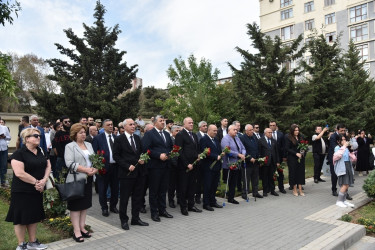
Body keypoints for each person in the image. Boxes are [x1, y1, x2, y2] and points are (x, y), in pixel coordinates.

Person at [6, 128, 51, 250]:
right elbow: (19, 173)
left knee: (33, 215)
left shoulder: (41, 151)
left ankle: (33, 242)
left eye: (39, 136)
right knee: (21, 218)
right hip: (22, 190)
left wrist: (44, 180)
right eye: (35, 135)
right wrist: (36, 182)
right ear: (26, 139)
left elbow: (48, 165)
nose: (38, 137)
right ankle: (21, 245)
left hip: (37, 190)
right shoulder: (18, 154)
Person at [64, 123, 98, 242]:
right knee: (76, 206)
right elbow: (69, 163)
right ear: (75, 134)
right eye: (81, 133)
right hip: (76, 180)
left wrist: (95, 169)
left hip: (88, 179)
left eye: (84, 132)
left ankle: (82, 227)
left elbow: (94, 160)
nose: (84, 134)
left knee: (85, 205)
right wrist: (86, 170)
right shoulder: (70, 146)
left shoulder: (88, 144)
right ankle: (76, 231)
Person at [113, 118, 149, 230]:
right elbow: (116, 156)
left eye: (134, 124)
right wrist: (127, 166)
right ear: (124, 127)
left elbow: (142, 152)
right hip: (126, 174)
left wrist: (143, 159)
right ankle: (124, 220)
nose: (133, 126)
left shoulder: (138, 138)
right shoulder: (119, 139)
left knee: (137, 197)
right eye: (131, 124)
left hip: (139, 173)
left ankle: (136, 218)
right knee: (124, 198)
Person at [142, 115, 173, 222]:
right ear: (155, 123)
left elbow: (170, 147)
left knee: (163, 190)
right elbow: (146, 149)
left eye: (164, 120)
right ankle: (154, 212)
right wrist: (158, 155)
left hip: (166, 166)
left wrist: (168, 154)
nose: (163, 122)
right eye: (161, 121)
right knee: (154, 190)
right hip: (155, 166)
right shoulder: (149, 134)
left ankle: (162, 210)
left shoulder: (166, 134)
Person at [92, 119, 119, 217]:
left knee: (115, 188)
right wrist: (98, 166)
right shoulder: (98, 138)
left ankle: (113, 206)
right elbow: (95, 153)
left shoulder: (116, 138)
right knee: (103, 189)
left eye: (112, 124)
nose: (111, 126)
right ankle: (104, 208)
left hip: (115, 167)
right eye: (108, 125)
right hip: (103, 168)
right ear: (103, 127)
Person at [175, 117, 202, 215]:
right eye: (189, 123)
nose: (191, 124)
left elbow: (196, 148)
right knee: (183, 187)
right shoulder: (180, 135)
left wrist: (198, 155)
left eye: (192, 122)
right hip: (184, 166)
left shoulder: (194, 135)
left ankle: (191, 205)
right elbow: (179, 151)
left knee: (192, 186)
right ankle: (183, 207)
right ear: (184, 124)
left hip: (194, 165)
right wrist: (187, 164)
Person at [199, 125, 223, 211]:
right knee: (207, 185)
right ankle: (206, 203)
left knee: (214, 185)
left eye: (216, 131)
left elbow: (218, 150)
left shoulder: (216, 140)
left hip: (216, 167)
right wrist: (215, 156)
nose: (216, 132)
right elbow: (204, 152)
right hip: (208, 167)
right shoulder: (204, 139)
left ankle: (213, 201)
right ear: (209, 130)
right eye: (214, 131)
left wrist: (221, 154)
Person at [221, 125, 246, 204]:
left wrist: (243, 154)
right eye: (234, 130)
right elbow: (227, 150)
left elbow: (243, 148)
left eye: (236, 130)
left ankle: (231, 197)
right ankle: (229, 196)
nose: (236, 131)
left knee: (234, 182)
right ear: (229, 130)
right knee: (230, 181)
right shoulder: (225, 139)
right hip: (229, 163)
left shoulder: (237, 138)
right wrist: (238, 154)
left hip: (237, 163)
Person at [333, 135, 356, 208]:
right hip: (342, 167)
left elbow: (354, 159)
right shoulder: (337, 148)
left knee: (347, 184)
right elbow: (337, 156)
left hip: (348, 166)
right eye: (342, 140)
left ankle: (344, 200)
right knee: (344, 184)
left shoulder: (346, 148)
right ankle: (339, 201)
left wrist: (351, 151)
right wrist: (344, 147)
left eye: (345, 140)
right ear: (338, 141)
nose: (344, 141)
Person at [240, 124, 263, 199]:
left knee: (255, 178)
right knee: (246, 179)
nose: (252, 131)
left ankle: (255, 192)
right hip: (247, 162)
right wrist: (249, 158)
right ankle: (244, 193)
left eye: (252, 129)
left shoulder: (254, 137)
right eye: (250, 130)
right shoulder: (242, 138)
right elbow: (242, 150)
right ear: (246, 131)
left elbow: (257, 148)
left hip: (255, 161)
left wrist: (258, 158)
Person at [258, 128, 280, 197]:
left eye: (271, 132)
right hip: (265, 162)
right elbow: (259, 152)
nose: (271, 134)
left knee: (272, 176)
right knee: (264, 177)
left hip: (273, 162)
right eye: (269, 132)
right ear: (265, 133)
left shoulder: (274, 141)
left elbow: (276, 152)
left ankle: (272, 190)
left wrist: (277, 161)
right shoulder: (261, 141)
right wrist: (260, 161)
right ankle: (265, 191)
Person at [285, 124, 306, 196]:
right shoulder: (288, 137)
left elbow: (304, 146)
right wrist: (296, 153)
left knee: (300, 173)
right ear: (292, 131)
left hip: (300, 158)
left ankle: (300, 189)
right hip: (292, 158)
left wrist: (303, 152)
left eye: (298, 130)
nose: (297, 131)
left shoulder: (301, 137)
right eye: (295, 130)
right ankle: (294, 189)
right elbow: (287, 148)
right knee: (293, 173)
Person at [327, 124, 346, 197]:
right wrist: (343, 146)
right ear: (337, 130)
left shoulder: (345, 136)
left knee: (344, 174)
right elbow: (335, 147)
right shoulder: (333, 136)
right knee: (334, 174)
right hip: (334, 157)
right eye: (341, 130)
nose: (343, 132)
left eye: (344, 130)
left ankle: (344, 190)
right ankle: (334, 189)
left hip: (343, 157)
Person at [269, 121, 286, 193]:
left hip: (280, 157)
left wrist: (284, 156)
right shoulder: (266, 134)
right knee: (272, 173)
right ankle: (272, 189)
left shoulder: (280, 134)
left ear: (276, 126)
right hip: (271, 157)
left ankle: (281, 188)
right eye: (271, 125)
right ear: (269, 126)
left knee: (280, 173)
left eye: (274, 125)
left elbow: (284, 146)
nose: (272, 126)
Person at [168, 125, 181, 208]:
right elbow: (171, 154)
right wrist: (175, 164)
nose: (178, 132)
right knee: (172, 185)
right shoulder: (170, 140)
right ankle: (171, 200)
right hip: (172, 166)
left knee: (179, 184)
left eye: (179, 131)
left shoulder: (180, 140)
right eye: (177, 131)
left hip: (180, 165)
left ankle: (179, 199)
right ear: (172, 132)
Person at [195, 121, 208, 203]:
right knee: (199, 181)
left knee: (206, 180)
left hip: (207, 161)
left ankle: (206, 196)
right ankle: (197, 196)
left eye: (206, 126)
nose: (206, 127)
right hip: (199, 162)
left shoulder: (207, 136)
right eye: (204, 126)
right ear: (200, 127)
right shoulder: (197, 136)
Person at [0, 123, 11, 187]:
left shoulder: (4, 128)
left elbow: (9, 138)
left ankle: (3, 182)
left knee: (4, 166)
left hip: (4, 149)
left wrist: (4, 137)